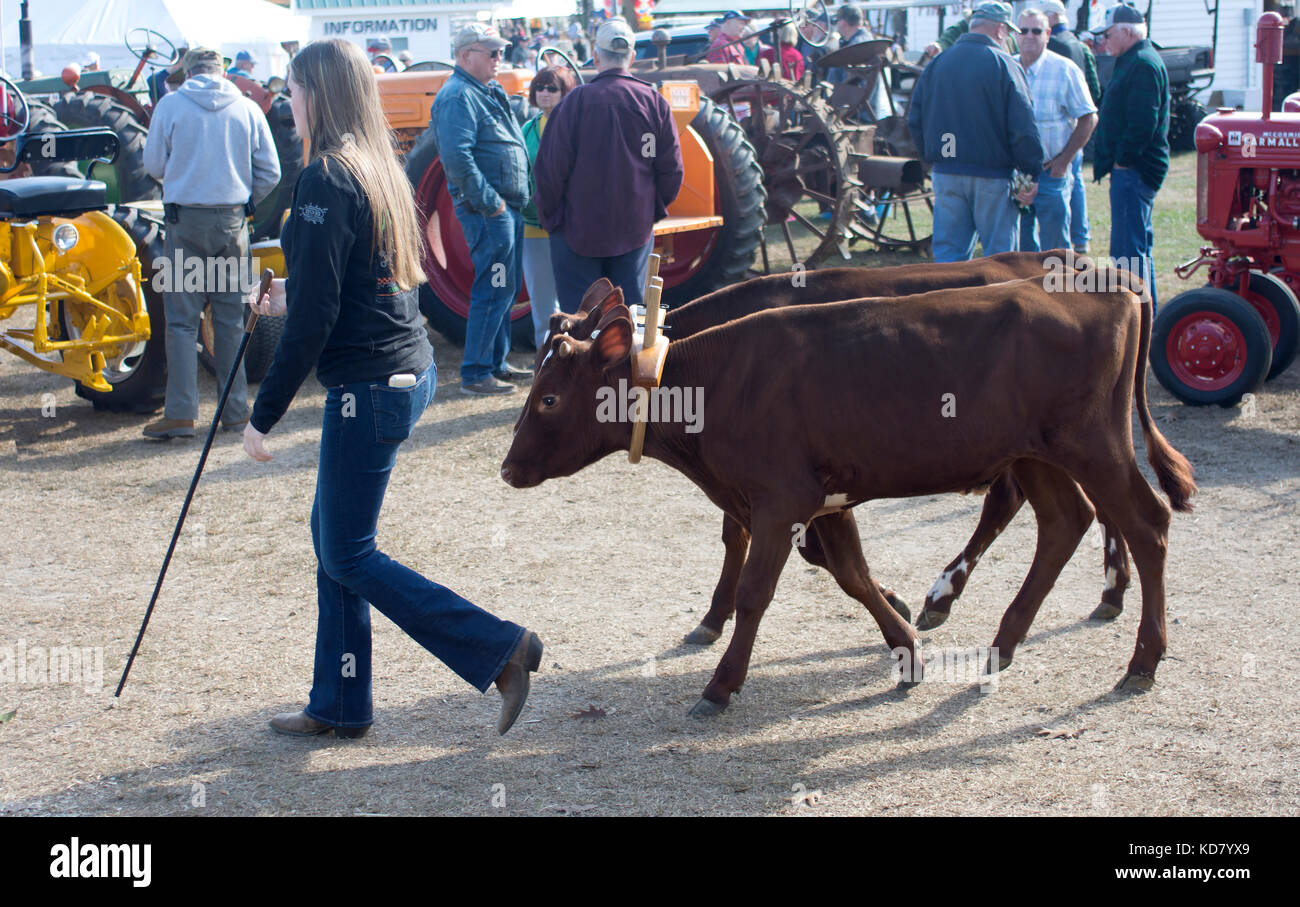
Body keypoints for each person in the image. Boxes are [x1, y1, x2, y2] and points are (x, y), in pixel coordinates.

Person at [243, 38, 543, 740]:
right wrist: (289, 289)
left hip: (371, 385)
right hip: (399, 372)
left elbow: (318, 320)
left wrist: (262, 415)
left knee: (348, 551)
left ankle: (501, 647)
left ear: (319, 94)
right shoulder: (375, 167)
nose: (289, 106)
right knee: (333, 540)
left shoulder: (326, 177)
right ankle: (341, 701)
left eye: (293, 92)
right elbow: (346, 284)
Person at [141, 47, 280, 440]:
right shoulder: (247, 107)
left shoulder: (170, 106)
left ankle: (182, 414)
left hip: (185, 223)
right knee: (230, 321)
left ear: (187, 72)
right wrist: (246, 202)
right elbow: (271, 169)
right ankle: (235, 411)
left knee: (182, 323)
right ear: (222, 72)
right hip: (232, 223)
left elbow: (153, 165)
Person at [535, 18, 684, 312]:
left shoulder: (573, 104)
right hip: (633, 228)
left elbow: (550, 171)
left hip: (577, 231)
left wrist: (554, 220)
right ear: (632, 56)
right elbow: (671, 170)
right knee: (627, 323)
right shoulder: (653, 103)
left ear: (596, 55)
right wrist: (649, 210)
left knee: (581, 325)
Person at [430, 24, 533, 395]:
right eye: (491, 52)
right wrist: (492, 203)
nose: (498, 58)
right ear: (465, 55)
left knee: (502, 288)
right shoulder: (458, 96)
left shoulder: (481, 91)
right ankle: (476, 373)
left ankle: (494, 362)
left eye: (499, 51)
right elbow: (457, 158)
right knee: (493, 288)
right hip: (489, 212)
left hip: (502, 209)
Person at [907, 1, 1041, 262]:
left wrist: (934, 157)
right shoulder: (1005, 64)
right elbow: (1023, 126)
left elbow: (915, 118)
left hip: (947, 172)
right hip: (993, 176)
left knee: (949, 258)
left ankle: (949, 302)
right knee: (999, 263)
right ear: (1001, 30)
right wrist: (1029, 175)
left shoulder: (938, 63)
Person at [1091, 3, 1169, 309]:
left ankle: (1137, 320)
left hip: (1134, 170)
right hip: (1132, 170)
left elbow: (1142, 124)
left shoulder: (1143, 64)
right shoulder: (1135, 60)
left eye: (1107, 35)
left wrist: (1123, 159)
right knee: (1136, 249)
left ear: (1126, 31)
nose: (1103, 41)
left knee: (1127, 252)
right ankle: (1146, 316)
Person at [1015, 8, 1096, 253]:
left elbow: (1088, 118)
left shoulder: (1064, 70)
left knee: (1056, 252)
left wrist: (1063, 162)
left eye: (1036, 31)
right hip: (1016, 174)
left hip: (1051, 172)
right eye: (1023, 30)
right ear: (1015, 35)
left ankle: (1059, 291)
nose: (1029, 36)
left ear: (1048, 34)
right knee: (1020, 250)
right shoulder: (1005, 66)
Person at [520, 65, 577, 345]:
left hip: (572, 228)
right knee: (543, 304)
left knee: (575, 301)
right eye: (539, 87)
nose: (544, 93)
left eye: (551, 88)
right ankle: (547, 360)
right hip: (534, 227)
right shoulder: (527, 130)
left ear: (565, 91)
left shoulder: (579, 127)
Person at [1042, 0, 1101, 254]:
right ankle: (1081, 237)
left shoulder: (1053, 46)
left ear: (1050, 18)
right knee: (1076, 183)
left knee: (1063, 185)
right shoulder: (1080, 44)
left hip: (1063, 127)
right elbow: (1095, 89)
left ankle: (1066, 241)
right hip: (1080, 122)